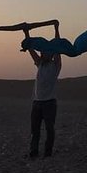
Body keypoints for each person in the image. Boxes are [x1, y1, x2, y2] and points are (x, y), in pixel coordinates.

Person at [23, 21, 62, 158]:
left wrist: (56, 28)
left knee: (49, 129)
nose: (42, 53)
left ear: (50, 54)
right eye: (41, 52)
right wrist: (26, 32)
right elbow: (30, 49)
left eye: (44, 52)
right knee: (35, 129)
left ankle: (48, 152)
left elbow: (58, 46)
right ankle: (33, 151)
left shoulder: (55, 65)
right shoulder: (40, 64)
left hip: (49, 103)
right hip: (37, 103)